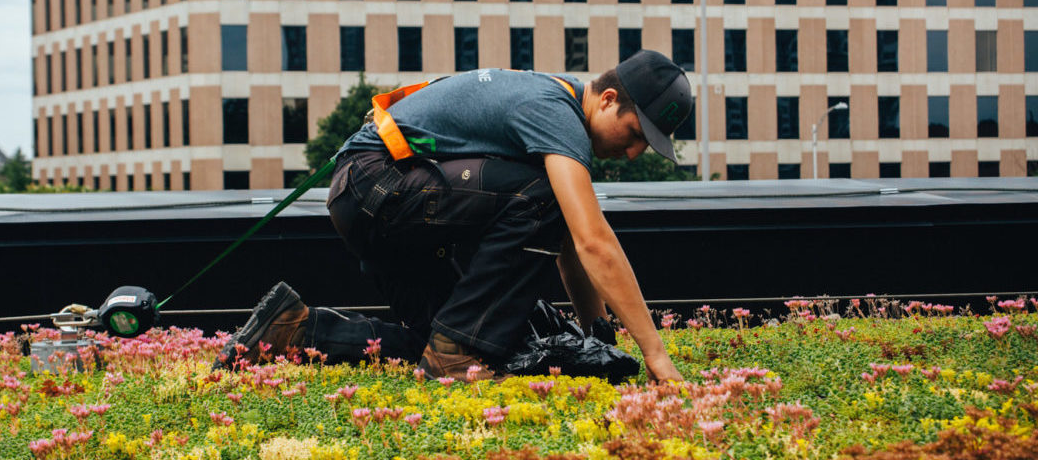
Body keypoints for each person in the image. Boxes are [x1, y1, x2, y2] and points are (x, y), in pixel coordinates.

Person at [216, 50, 692, 382]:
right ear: (607, 99)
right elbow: (593, 241)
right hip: (377, 186)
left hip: (374, 196)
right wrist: (655, 354)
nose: (632, 153)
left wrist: (597, 337)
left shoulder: (550, 104)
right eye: (633, 134)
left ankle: (294, 329)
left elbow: (570, 242)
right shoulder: (556, 111)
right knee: (466, 341)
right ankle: (455, 354)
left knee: (452, 343)